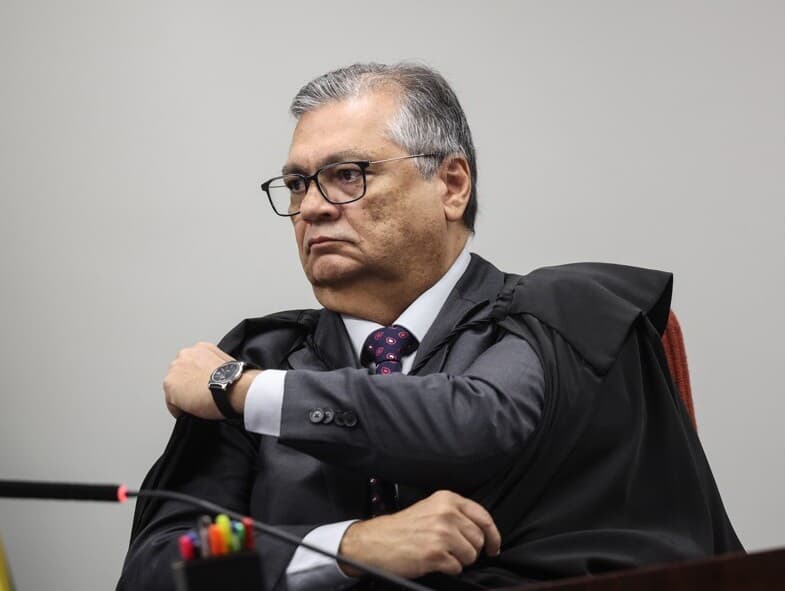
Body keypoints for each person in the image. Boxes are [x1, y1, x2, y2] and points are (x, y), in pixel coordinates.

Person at [118, 63, 741, 591]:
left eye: (347, 175)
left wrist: (242, 389)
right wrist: (346, 547)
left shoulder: (562, 319)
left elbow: (475, 419)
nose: (310, 207)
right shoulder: (263, 353)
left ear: (451, 184)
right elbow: (164, 567)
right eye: (298, 184)